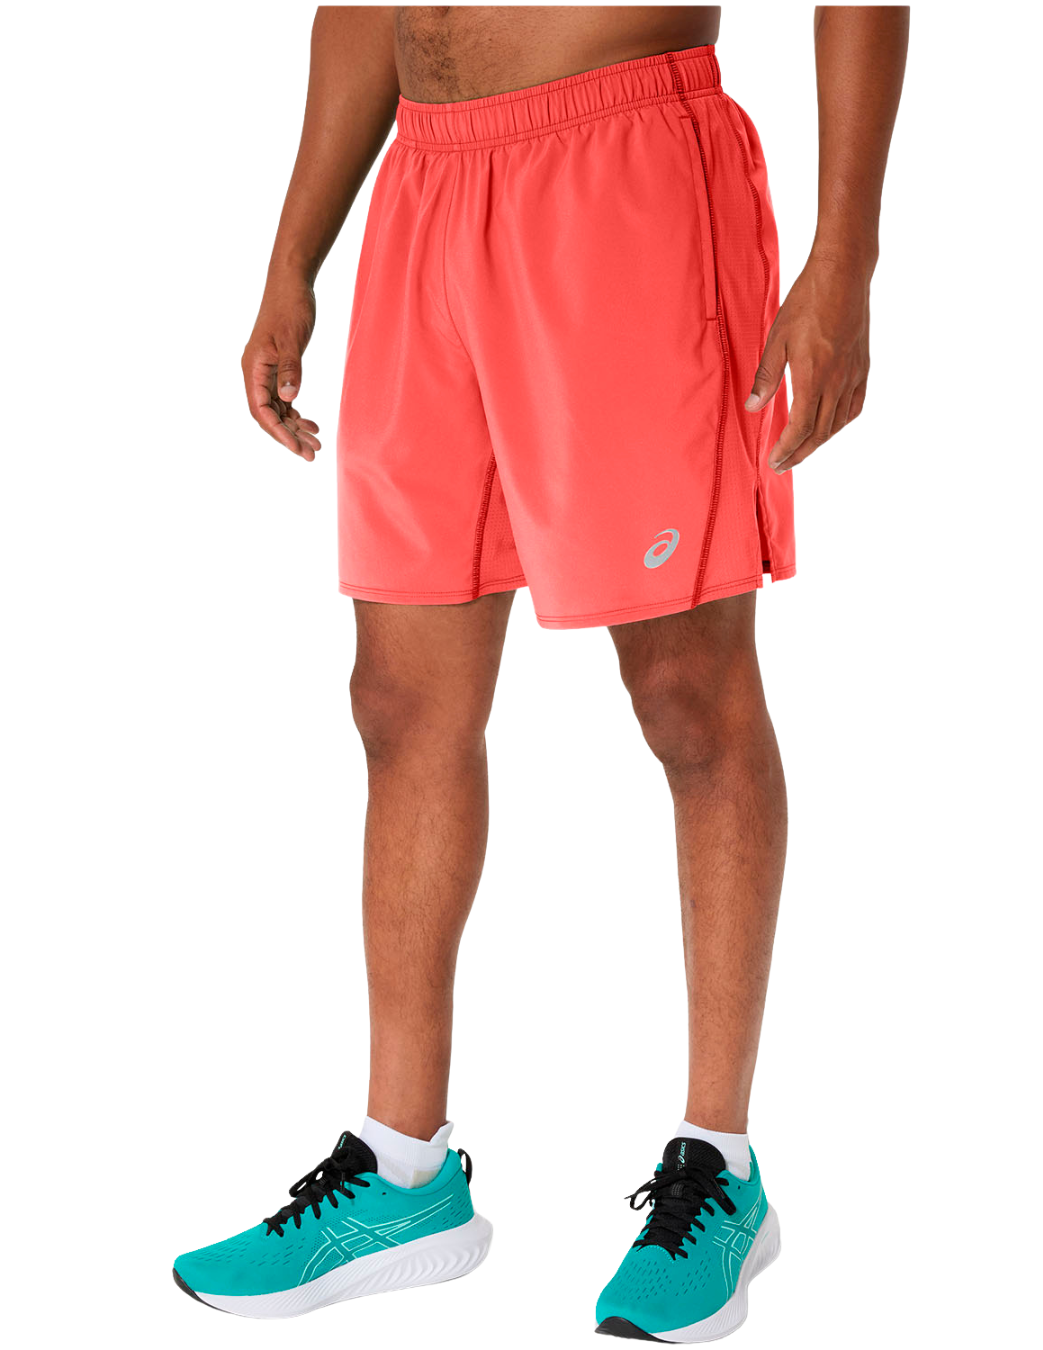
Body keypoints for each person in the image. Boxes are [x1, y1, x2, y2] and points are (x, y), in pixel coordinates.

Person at [173, 6, 908, 1338]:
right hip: (426, 188)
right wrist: (292, 258)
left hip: (623, 169)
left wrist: (844, 255)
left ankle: (719, 1169)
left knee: (687, 692)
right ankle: (402, 1172)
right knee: (399, 699)